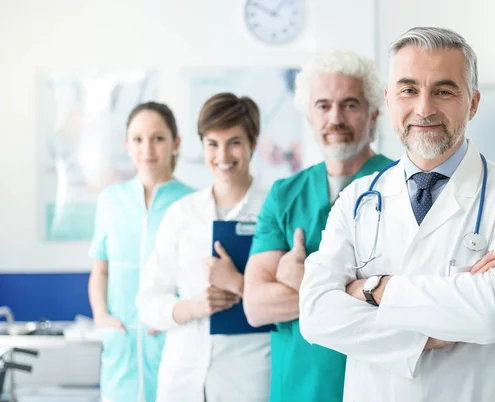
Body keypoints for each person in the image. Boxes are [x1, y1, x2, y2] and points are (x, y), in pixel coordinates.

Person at [299, 27, 495, 402]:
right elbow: (317, 314)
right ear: (387, 99)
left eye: (444, 90)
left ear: (473, 102)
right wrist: (431, 332)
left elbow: (493, 311)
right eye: (408, 90)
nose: (424, 108)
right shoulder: (357, 198)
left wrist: (371, 289)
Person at [243, 51, 393, 402]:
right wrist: (359, 289)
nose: (335, 118)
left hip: (377, 385)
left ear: (373, 115)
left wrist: (303, 280)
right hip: (298, 386)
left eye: (350, 104)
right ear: (309, 117)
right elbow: (256, 306)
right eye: (323, 106)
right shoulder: (284, 195)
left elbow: (409, 298)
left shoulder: (402, 185)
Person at [136, 93, 271, 402]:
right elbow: (148, 300)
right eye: (212, 143)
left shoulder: (273, 210)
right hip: (182, 378)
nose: (222, 155)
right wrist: (193, 307)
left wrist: (239, 284)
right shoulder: (181, 214)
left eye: (234, 142)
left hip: (249, 378)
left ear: (253, 142)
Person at [88, 102, 195, 402]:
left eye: (158, 138)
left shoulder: (192, 203)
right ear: (126, 144)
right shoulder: (110, 200)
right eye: (138, 139)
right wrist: (101, 317)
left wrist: (172, 316)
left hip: (169, 338)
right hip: (120, 344)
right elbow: (101, 269)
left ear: (175, 143)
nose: (147, 148)